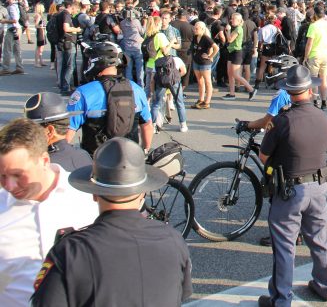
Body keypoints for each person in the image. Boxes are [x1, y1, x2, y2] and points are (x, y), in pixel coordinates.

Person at [29, 137, 192, 307]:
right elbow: (182, 293)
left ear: (94, 193)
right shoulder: (173, 240)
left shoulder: (69, 251)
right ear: (143, 192)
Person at [257, 65, 327, 306]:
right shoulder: (323, 117)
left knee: (284, 245)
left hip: (291, 190)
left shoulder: (283, 121)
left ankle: (281, 298)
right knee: (320, 238)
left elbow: (263, 157)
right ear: (310, 90)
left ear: (289, 92)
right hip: (319, 185)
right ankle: (325, 286)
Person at [0, 118, 97, 307]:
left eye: (18, 175)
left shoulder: (87, 198)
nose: (9, 185)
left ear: (44, 160)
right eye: (2, 175)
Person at [67, 41, 155, 156]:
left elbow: (68, 131)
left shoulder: (83, 93)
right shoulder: (136, 89)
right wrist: (145, 150)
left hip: (96, 162)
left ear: (98, 61)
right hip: (129, 161)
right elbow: (147, 126)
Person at [24, 92, 92, 171]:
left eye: (30, 130)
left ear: (49, 131)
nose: (27, 136)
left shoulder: (40, 165)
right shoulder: (83, 155)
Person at [222, 12, 255, 100]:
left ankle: (251, 89)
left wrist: (228, 31)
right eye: (231, 18)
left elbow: (229, 40)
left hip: (237, 52)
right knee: (230, 74)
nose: (231, 20)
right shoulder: (236, 28)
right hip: (231, 51)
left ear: (239, 21)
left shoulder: (238, 29)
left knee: (235, 74)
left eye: (234, 19)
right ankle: (232, 93)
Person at [304, 6, 327, 108]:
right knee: (324, 79)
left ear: (315, 14)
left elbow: (309, 44)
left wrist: (305, 57)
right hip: (325, 54)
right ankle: (324, 102)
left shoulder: (313, 26)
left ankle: (315, 102)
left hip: (314, 54)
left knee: (314, 80)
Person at [191, 20, 218, 109]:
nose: (195, 29)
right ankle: (201, 99)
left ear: (202, 29)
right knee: (200, 81)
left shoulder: (206, 38)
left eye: (197, 28)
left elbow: (216, 48)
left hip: (204, 63)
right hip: (196, 61)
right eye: (194, 28)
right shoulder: (195, 37)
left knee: (207, 81)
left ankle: (207, 101)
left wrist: (210, 56)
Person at [0, 0, 24, 75]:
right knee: (17, 49)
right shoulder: (16, 5)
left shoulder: (11, 7)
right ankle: (19, 67)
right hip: (17, 29)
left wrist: (4, 20)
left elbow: (14, 19)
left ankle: (6, 68)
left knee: (7, 49)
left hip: (12, 29)